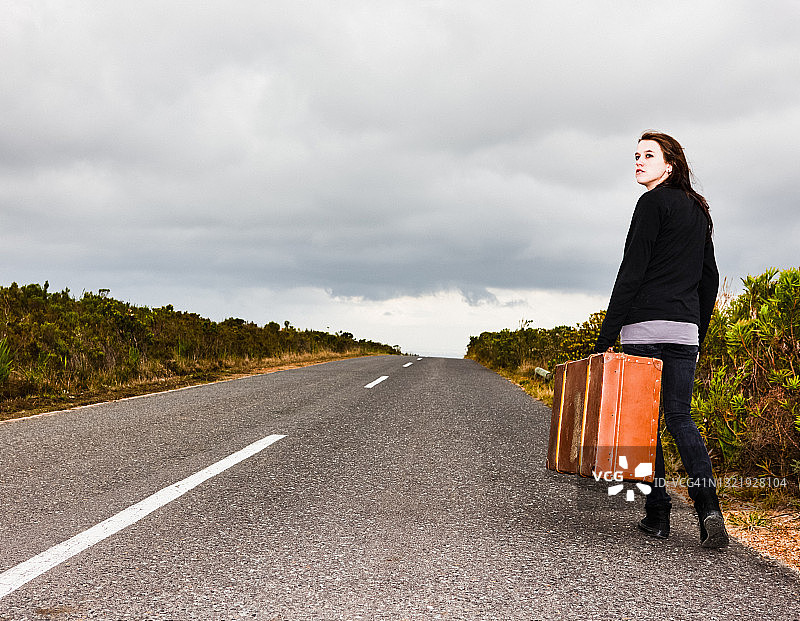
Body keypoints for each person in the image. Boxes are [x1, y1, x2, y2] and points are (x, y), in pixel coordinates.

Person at [594, 131, 729, 549]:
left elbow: (632, 271)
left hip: (644, 331)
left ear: (669, 165)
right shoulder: (698, 210)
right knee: (681, 417)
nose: (639, 161)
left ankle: (658, 513)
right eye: (636, 155)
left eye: (648, 155)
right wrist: (696, 330)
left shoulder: (650, 204)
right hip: (684, 331)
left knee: (644, 424)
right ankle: (709, 509)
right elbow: (709, 278)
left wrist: (606, 335)